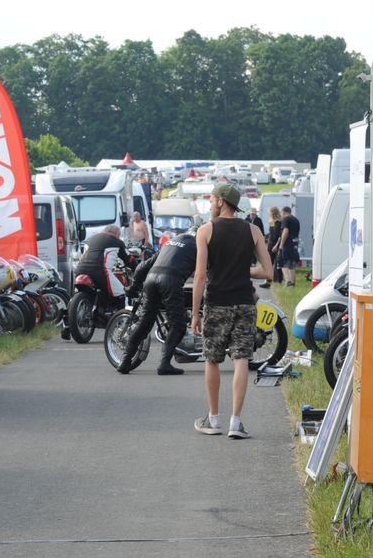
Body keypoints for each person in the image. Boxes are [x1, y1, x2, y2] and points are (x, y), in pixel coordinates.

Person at [190, 184, 273, 439]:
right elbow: (268, 272)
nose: (211, 203)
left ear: (222, 202)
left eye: (213, 199)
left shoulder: (205, 231)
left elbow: (201, 275)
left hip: (217, 302)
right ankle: (235, 423)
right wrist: (242, 270)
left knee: (212, 359)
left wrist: (196, 313)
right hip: (245, 303)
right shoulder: (253, 230)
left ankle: (213, 419)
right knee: (241, 360)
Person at [117, 230, 198, 376]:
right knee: (178, 325)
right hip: (171, 281)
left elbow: (142, 267)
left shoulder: (169, 243)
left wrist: (134, 287)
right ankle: (164, 364)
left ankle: (125, 361)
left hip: (151, 280)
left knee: (144, 323)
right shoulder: (198, 246)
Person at [75, 224, 129, 303]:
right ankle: (120, 315)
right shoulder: (117, 242)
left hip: (79, 270)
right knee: (121, 293)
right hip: (100, 272)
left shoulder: (89, 239)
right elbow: (128, 259)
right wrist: (135, 267)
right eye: (119, 235)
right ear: (116, 234)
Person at [276, 206, 301, 287]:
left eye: (281, 214)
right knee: (291, 265)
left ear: (284, 212)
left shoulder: (286, 220)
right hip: (295, 244)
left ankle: (288, 282)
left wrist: (281, 245)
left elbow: (285, 231)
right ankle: (293, 283)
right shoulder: (296, 220)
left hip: (287, 244)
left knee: (283, 263)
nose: (281, 216)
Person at [262, 206, 283, 288]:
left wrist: (276, 245)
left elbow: (279, 236)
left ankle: (277, 280)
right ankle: (268, 280)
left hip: (275, 245)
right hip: (270, 244)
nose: (268, 214)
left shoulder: (279, 223)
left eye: (270, 212)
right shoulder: (271, 222)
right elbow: (271, 234)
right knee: (269, 263)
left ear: (273, 213)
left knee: (276, 263)